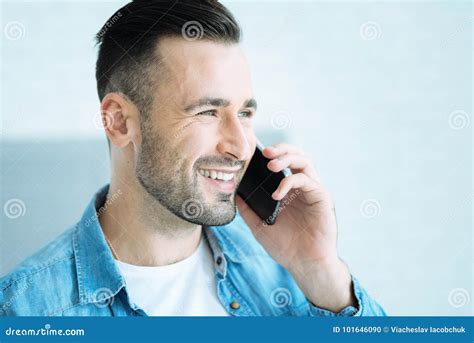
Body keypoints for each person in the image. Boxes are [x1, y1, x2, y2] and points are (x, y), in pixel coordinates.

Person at [0, 0, 386, 316]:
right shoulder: (26, 309)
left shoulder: (287, 269)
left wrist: (319, 270)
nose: (240, 147)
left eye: (246, 114)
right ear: (119, 122)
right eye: (207, 112)